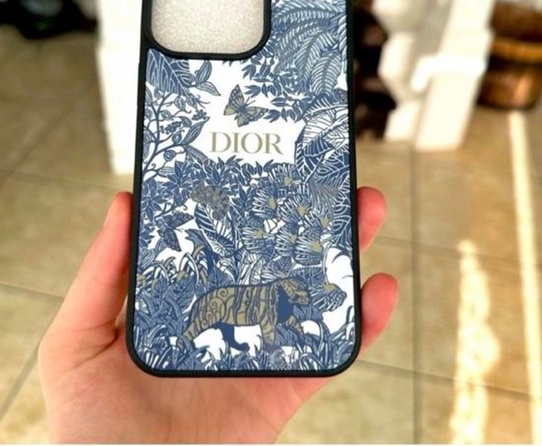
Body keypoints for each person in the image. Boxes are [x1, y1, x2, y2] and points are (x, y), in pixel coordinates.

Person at [39, 187, 397, 443]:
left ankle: (209, 338)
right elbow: (270, 326)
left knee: (222, 322)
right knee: (203, 321)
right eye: (299, 293)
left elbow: (284, 317)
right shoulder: (275, 295)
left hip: (231, 306)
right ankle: (185, 339)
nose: (302, 297)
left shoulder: (281, 295)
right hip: (223, 303)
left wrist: (303, 330)